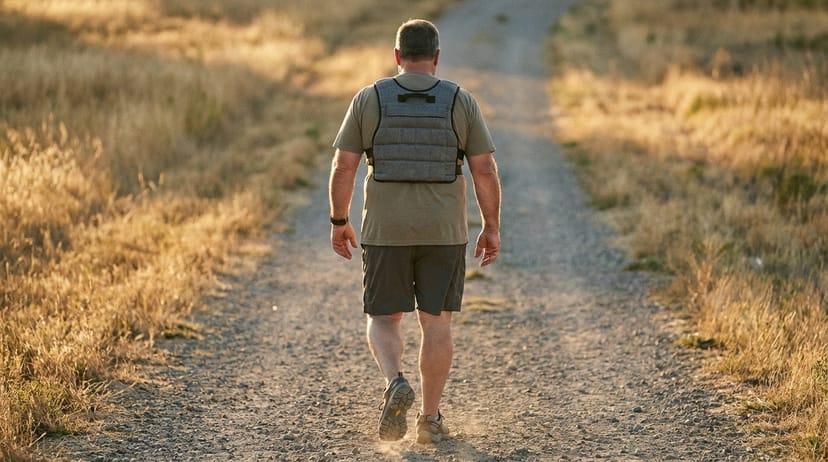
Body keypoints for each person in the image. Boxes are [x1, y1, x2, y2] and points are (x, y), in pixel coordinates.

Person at [328, 18, 501, 444]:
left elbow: (344, 166)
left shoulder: (369, 98)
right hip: (443, 231)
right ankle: (429, 419)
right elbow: (484, 169)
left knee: (383, 317)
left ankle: (394, 382)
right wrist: (491, 227)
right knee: (436, 324)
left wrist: (339, 221)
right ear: (436, 57)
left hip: (385, 230)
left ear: (397, 56)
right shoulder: (460, 100)